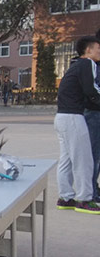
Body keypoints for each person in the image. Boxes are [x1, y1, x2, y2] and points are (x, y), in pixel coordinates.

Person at [54, 35, 100, 213]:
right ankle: (84, 199)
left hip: (62, 117)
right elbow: (92, 90)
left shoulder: (75, 65)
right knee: (84, 160)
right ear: (88, 50)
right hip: (73, 117)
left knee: (66, 160)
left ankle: (65, 197)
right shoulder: (88, 63)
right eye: (98, 48)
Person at [83, 28, 100, 202]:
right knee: (94, 154)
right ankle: (91, 191)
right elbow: (91, 92)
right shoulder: (92, 65)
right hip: (94, 114)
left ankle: (93, 188)